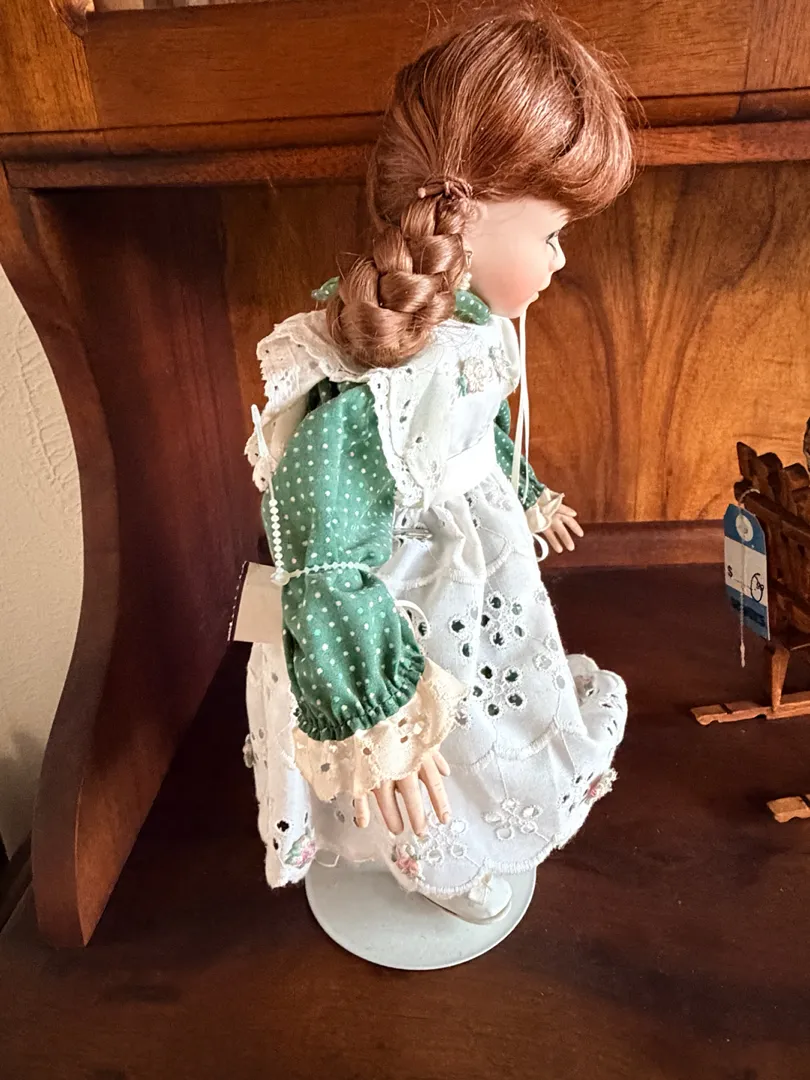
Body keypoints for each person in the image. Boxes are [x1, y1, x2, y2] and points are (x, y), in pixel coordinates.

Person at [244, 6, 634, 923]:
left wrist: (524, 494)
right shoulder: (370, 383)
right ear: (470, 214)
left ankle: (458, 837)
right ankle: (430, 857)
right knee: (433, 742)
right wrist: (373, 705)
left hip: (477, 577)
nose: (560, 257)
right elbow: (321, 554)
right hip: (405, 601)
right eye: (551, 231)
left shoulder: (466, 331)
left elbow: (472, 433)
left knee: (484, 716)